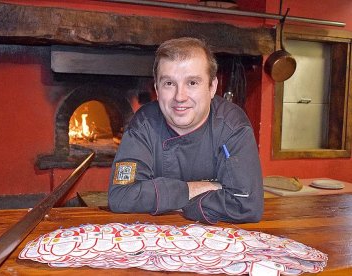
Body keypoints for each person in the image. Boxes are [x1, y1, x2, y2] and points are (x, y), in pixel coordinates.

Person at [108, 37, 263, 224]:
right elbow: (121, 197)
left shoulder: (232, 126)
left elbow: (247, 204)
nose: (179, 97)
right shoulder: (143, 125)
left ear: (212, 87)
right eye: (169, 84)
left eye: (192, 83)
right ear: (157, 89)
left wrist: (172, 201)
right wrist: (200, 189)